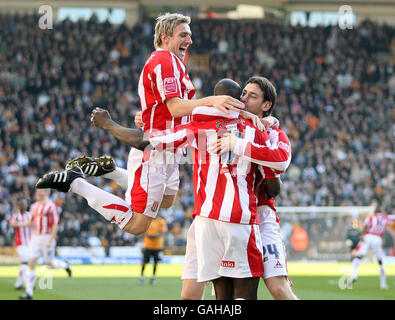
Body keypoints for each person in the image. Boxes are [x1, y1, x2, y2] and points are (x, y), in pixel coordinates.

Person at [35, 12, 245, 236]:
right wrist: (212, 100)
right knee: (137, 225)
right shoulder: (165, 61)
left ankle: (112, 171)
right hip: (155, 149)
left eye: (190, 35)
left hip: (170, 148)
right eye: (183, 35)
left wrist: (148, 113)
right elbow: (174, 107)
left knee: (167, 200)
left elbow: (166, 107)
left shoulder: (174, 63)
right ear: (165, 37)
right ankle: (76, 183)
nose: (189, 41)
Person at [148, 78, 292, 300]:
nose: (243, 98)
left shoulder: (270, 130)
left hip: (260, 213)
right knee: (213, 294)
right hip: (215, 215)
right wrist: (147, 121)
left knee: (278, 289)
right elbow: (187, 118)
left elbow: (274, 187)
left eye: (252, 96)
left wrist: (239, 145)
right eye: (243, 93)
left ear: (266, 105)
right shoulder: (222, 121)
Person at [18, 189, 72, 300]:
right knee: (31, 263)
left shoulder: (52, 206)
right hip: (35, 237)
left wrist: (51, 239)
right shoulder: (34, 206)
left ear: (47, 193)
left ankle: (65, 265)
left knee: (49, 265)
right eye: (37, 192)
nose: (37, 194)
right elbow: (30, 222)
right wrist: (18, 224)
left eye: (40, 192)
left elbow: (56, 224)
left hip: (47, 237)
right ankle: (29, 293)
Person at [350, 206, 395, 289]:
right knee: (380, 261)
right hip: (378, 238)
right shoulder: (386, 217)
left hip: (368, 236)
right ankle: (383, 284)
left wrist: (362, 235)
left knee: (358, 256)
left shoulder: (371, 217)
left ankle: (354, 274)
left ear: (374, 211)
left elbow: (365, 226)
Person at [9, 198, 32, 290]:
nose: (23, 206)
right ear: (19, 206)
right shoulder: (16, 216)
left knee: (25, 264)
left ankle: (19, 284)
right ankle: (27, 284)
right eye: (22, 204)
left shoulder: (30, 215)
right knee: (24, 263)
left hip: (30, 243)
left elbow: (32, 224)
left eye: (25, 204)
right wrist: (24, 223)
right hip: (20, 243)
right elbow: (13, 225)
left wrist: (21, 224)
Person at [139, 214, 168, 285]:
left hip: (157, 246)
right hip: (148, 245)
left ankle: (153, 277)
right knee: (145, 262)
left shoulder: (161, 221)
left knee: (156, 262)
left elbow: (164, 233)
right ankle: (142, 276)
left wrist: (154, 236)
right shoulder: (147, 220)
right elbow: (142, 231)